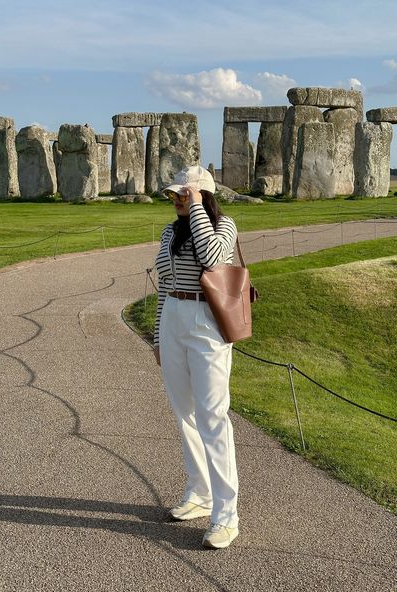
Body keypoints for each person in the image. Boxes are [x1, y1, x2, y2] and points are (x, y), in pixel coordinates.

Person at [154, 165, 239, 549]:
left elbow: (213, 258)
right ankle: (199, 492)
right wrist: (158, 334)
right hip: (173, 316)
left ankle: (226, 514)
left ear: (203, 195)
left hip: (206, 321)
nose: (176, 201)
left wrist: (199, 209)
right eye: (174, 196)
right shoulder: (171, 231)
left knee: (212, 415)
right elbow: (164, 283)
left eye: (183, 195)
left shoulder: (224, 226)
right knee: (183, 411)